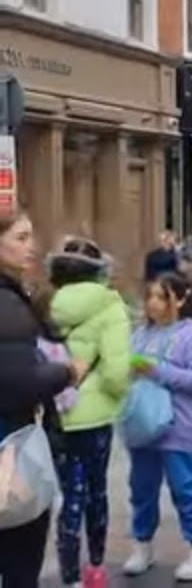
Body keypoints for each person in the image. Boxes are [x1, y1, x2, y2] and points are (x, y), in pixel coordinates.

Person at [0, 211, 87, 588]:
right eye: (20, 237)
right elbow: (19, 381)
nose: (30, 246)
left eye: (30, 236)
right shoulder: (6, 304)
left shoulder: (16, 295)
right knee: (20, 557)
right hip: (10, 445)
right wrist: (67, 372)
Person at [45, 237, 132, 588]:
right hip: (94, 417)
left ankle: (69, 579)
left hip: (56, 412)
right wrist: (116, 394)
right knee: (97, 493)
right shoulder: (110, 306)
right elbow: (116, 372)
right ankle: (95, 568)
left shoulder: (44, 305)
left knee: (69, 496)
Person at [122, 272, 192, 582]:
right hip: (141, 424)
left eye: (161, 297)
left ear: (180, 299)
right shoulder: (140, 334)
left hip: (177, 425)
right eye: (149, 296)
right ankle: (142, 544)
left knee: (185, 486)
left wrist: (158, 370)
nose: (153, 303)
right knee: (141, 487)